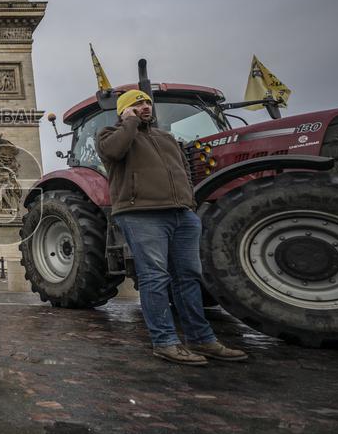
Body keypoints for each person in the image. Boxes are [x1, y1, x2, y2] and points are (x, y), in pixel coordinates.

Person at [97, 89, 247, 366]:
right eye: (137, 103)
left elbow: (185, 170)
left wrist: (189, 203)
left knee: (189, 277)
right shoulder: (109, 135)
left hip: (181, 214)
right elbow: (114, 152)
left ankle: (202, 338)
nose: (145, 106)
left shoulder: (166, 138)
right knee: (155, 278)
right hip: (142, 214)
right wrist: (128, 122)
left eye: (146, 102)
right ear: (124, 110)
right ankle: (164, 342)